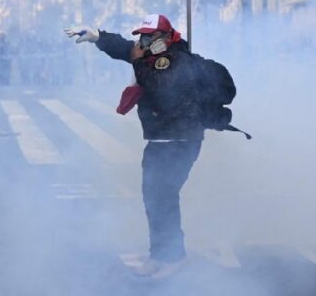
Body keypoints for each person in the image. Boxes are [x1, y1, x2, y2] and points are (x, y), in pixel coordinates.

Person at [65, 14, 242, 279]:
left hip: (179, 140)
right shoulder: (151, 59)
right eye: (142, 36)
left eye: (150, 36)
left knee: (162, 198)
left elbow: (162, 89)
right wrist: (98, 37)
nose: (144, 41)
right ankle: (160, 254)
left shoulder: (174, 61)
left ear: (166, 38)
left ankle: (172, 257)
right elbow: (126, 49)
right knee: (156, 198)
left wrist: (137, 61)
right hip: (163, 139)